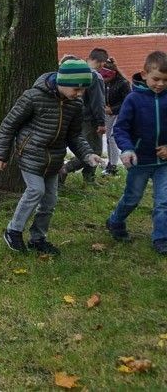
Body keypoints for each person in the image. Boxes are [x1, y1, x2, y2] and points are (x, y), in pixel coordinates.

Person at [0, 58, 101, 255]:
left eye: (83, 90)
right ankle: (13, 231)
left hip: (54, 159)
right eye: (77, 89)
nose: (80, 94)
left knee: (49, 202)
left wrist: (88, 154)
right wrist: (1, 153)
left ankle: (38, 238)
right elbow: (9, 124)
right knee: (36, 190)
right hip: (30, 154)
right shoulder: (33, 97)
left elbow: (74, 135)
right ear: (63, 82)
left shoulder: (74, 104)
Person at [105, 51, 167, 255]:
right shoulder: (133, 99)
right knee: (132, 198)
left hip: (164, 163)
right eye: (156, 79)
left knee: (163, 202)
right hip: (140, 161)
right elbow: (120, 129)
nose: (160, 84)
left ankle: (160, 238)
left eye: (165, 80)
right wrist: (128, 148)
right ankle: (115, 220)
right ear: (145, 74)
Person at [59, 49, 107, 185]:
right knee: (94, 150)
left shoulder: (75, 74)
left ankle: (87, 177)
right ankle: (69, 170)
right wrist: (101, 122)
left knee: (85, 147)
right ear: (101, 62)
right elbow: (98, 101)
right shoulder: (94, 76)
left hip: (77, 117)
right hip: (90, 120)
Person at [101, 57, 131, 176]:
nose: (105, 79)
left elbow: (127, 101)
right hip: (108, 114)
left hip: (120, 113)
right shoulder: (103, 83)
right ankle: (110, 163)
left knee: (112, 138)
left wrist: (112, 109)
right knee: (108, 139)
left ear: (113, 74)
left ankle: (113, 166)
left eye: (107, 77)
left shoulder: (123, 83)